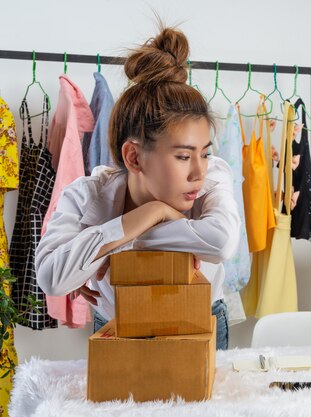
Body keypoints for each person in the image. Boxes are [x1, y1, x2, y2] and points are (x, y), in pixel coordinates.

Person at [34, 25, 240, 350]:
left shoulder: (213, 175)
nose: (199, 170)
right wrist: (154, 212)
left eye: (205, 151)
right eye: (184, 156)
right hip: (118, 321)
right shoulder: (87, 193)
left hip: (200, 319)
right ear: (133, 157)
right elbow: (50, 276)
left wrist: (109, 245)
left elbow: (221, 242)